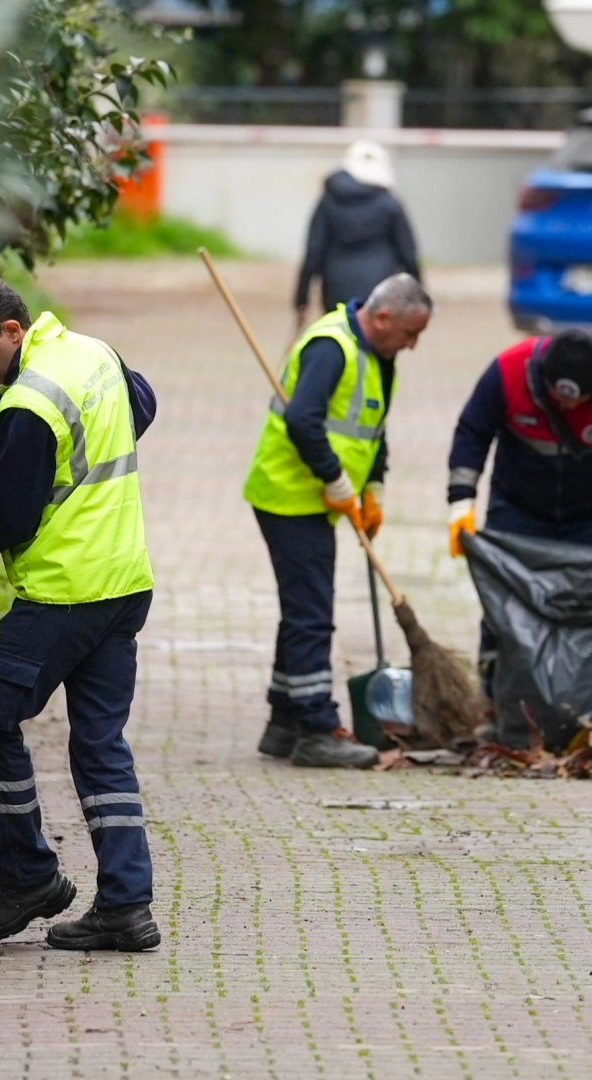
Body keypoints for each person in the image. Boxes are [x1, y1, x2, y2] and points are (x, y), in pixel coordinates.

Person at [0, 273, 161, 952]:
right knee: (98, 745)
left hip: (65, 592)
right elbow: (142, 404)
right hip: (123, 583)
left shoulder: (27, 405)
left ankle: (29, 875)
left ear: (12, 331)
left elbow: (3, 520)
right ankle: (126, 906)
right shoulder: (92, 354)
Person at [245, 273, 433, 769]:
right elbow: (302, 419)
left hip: (316, 498)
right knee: (312, 614)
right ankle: (316, 728)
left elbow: (373, 428)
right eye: (410, 334)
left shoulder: (379, 357)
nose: (412, 346)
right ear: (383, 317)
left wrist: (374, 488)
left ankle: (282, 723)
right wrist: (336, 480)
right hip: (289, 495)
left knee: (301, 609)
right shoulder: (332, 347)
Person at [445, 329, 592, 709]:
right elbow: (472, 432)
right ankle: (497, 701)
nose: (568, 407)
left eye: (579, 399)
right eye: (560, 397)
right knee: (506, 607)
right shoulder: (507, 372)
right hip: (518, 508)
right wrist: (460, 501)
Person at [294, 141, 422, 332]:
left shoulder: (328, 201)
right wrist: (417, 297)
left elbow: (314, 251)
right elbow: (408, 253)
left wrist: (301, 298)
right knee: (378, 347)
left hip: (336, 290)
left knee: (338, 341)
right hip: (380, 291)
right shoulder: (390, 204)